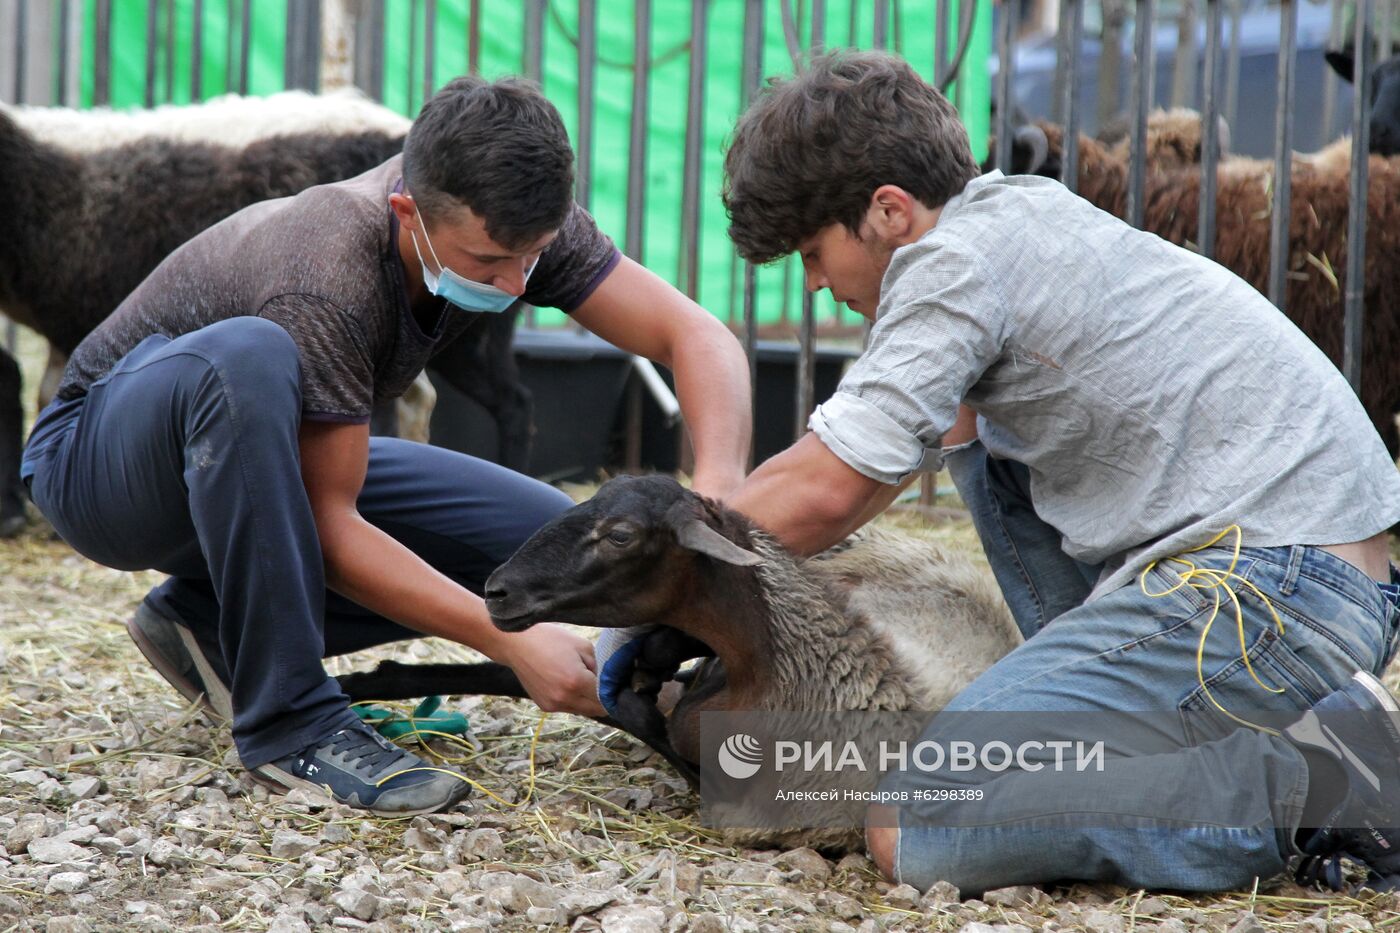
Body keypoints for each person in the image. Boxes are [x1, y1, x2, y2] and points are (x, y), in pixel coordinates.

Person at [690, 50, 1400, 895]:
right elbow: (882, 458)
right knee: (974, 443)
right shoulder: (1019, 221)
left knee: (924, 813)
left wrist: (669, 572)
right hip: (1303, 585)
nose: (812, 285)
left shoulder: (952, 264)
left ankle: (1318, 786)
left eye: (812, 251)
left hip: (1261, 592)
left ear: (887, 211)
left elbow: (829, 485)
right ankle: (1301, 734)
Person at [20, 75, 751, 817]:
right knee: (245, 357)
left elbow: (695, 336)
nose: (514, 281)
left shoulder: (522, 226)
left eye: (531, 257)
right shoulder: (327, 268)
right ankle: (289, 723)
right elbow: (332, 527)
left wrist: (714, 500)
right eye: (488, 261)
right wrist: (512, 644)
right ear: (409, 212)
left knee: (544, 537)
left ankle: (204, 624)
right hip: (101, 463)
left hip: (252, 463)